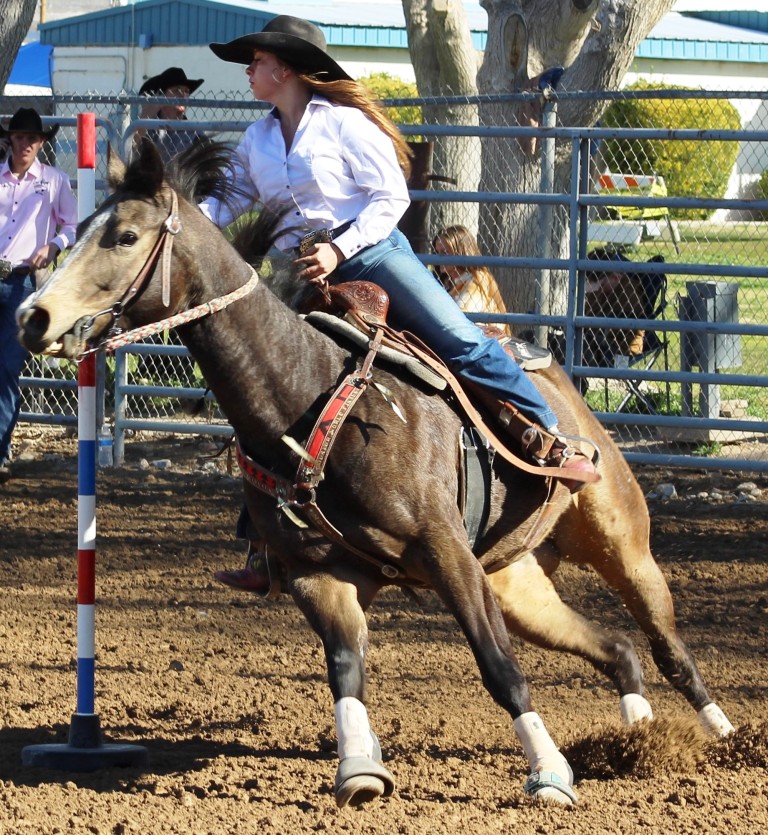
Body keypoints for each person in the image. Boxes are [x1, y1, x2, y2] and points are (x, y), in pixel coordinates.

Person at [197, 16, 597, 592]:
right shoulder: (256, 140)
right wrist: (178, 227)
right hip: (299, 273)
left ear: (283, 67)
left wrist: (339, 249)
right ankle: (265, 542)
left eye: (255, 60)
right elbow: (226, 202)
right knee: (264, 392)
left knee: (457, 339)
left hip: (372, 256)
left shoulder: (344, 125)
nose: (248, 69)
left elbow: (391, 198)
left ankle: (545, 430)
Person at [0, 108, 77, 483]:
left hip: (21, 281)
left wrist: (53, 245)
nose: (25, 143)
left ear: (41, 142)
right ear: (9, 141)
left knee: (7, 368)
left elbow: (73, 226)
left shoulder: (54, 180)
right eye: (19, 137)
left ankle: (0, 449)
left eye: (31, 138)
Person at [137, 67, 205, 163]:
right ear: (162, 95)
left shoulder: (195, 135)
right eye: (177, 90)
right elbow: (130, 150)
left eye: (186, 91)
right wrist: (145, 116)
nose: (183, 95)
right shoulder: (149, 129)